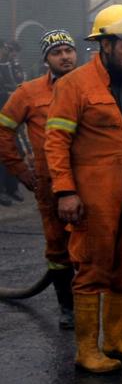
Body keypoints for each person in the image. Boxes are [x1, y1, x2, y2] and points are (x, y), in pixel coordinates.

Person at [44, 5, 122, 373]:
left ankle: (117, 340)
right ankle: (87, 350)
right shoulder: (74, 85)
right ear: (105, 45)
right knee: (92, 267)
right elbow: (56, 143)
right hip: (93, 197)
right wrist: (65, 191)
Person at [0, 29, 79, 328]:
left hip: (90, 179)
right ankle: (68, 307)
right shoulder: (28, 93)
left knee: (98, 245)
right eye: (57, 52)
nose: (64, 56)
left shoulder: (91, 86)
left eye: (68, 50)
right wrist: (19, 169)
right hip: (50, 185)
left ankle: (109, 308)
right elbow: (4, 129)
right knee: (58, 247)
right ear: (47, 59)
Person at [0, 40, 26, 206]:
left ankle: (12, 186)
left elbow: (19, 84)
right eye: (6, 49)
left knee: (15, 150)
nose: (9, 53)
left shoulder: (11, 66)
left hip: (10, 114)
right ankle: (3, 190)